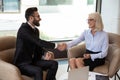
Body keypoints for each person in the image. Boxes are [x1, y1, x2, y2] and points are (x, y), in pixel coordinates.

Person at [13, 7, 58, 80]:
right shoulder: (23, 30)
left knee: (54, 64)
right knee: (38, 71)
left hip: (33, 61)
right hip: (23, 64)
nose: (40, 19)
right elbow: (38, 41)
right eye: (38, 16)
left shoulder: (36, 30)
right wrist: (56, 45)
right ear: (31, 18)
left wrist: (45, 53)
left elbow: (38, 46)